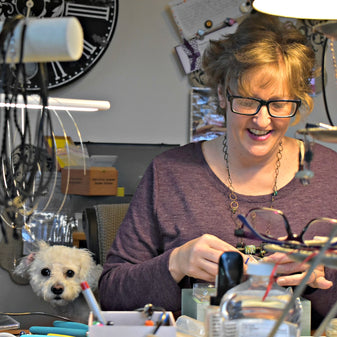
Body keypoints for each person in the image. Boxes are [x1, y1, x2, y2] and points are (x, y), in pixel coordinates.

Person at [99, 12, 337, 327]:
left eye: (279, 105)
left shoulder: (330, 174)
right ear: (223, 94)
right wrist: (176, 263)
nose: (262, 121)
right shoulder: (169, 174)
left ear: (298, 103)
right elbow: (111, 296)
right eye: (247, 102)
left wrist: (315, 281)